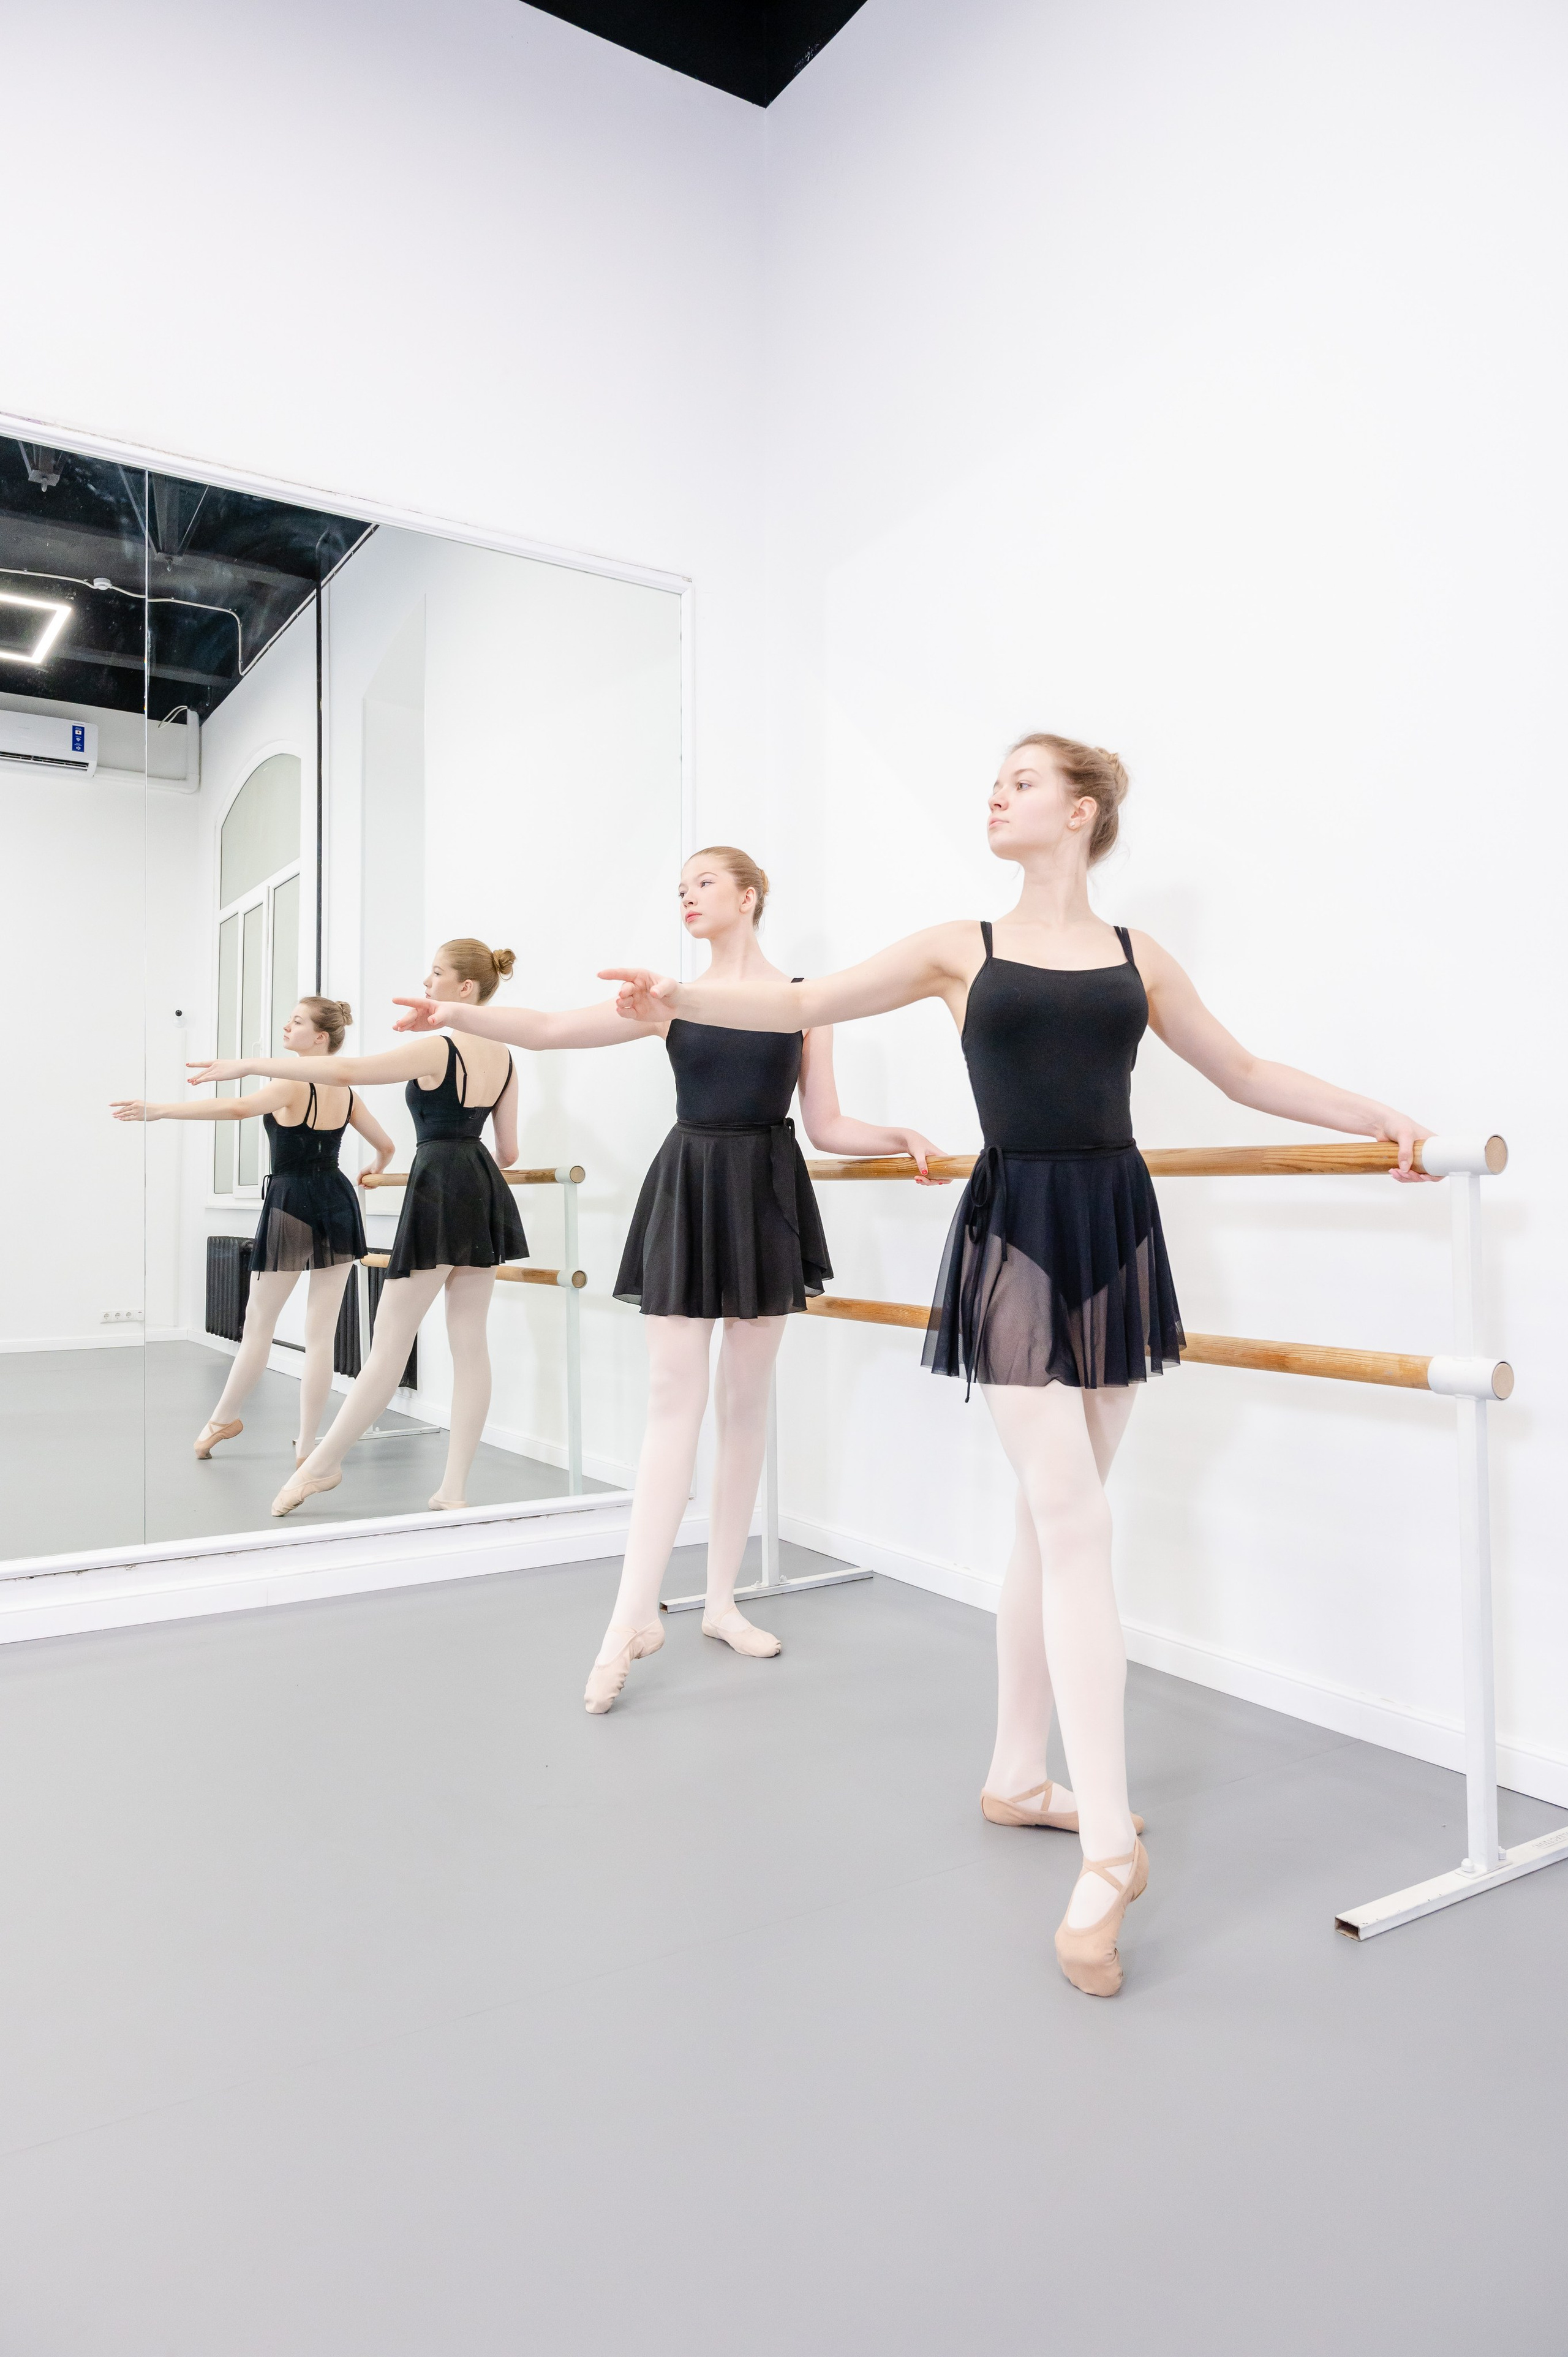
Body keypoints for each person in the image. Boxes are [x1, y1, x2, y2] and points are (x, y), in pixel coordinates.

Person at [603, 734, 1435, 1997]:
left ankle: (1014, 1772)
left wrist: (1377, 1115)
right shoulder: (958, 946)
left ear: (1082, 810)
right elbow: (795, 1005)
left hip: (1113, 1226)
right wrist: (675, 1000)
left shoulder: (1134, 956)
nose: (995, 793)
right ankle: (1106, 1848)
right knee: (1072, 1516)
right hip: (1014, 1232)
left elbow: (1244, 1069)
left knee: (1054, 1530)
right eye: (992, 781)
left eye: (1021, 781)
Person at [392, 847, 944, 1711]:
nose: (687, 898)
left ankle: (720, 1601)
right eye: (681, 888)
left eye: (705, 884)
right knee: (669, 1399)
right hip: (690, 1185)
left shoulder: (804, 1002)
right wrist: (454, 1014)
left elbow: (827, 1124)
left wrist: (899, 1134)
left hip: (765, 1188)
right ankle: (629, 1618)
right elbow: (550, 1029)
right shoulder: (665, 999)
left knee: (747, 1404)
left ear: (750, 897)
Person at [189, 940, 523, 1517]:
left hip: (438, 1184)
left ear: (464, 988)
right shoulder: (505, 1056)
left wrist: (249, 1065)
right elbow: (510, 1151)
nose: (426, 981)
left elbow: (346, 1070)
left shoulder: (437, 1047)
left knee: (389, 1342)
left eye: (436, 973)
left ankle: (323, 1465)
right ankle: (454, 1490)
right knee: (471, 1343)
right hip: (482, 1185)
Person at [114, 997, 393, 1463]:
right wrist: (374, 1168)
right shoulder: (346, 1092)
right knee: (320, 1335)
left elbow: (238, 1108)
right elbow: (386, 1145)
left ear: (320, 1037)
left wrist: (161, 1111)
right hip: (339, 1202)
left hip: (292, 1204)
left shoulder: (291, 1081)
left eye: (297, 1022)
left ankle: (224, 1418)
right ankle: (308, 1445)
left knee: (259, 1324)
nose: (288, 1027)